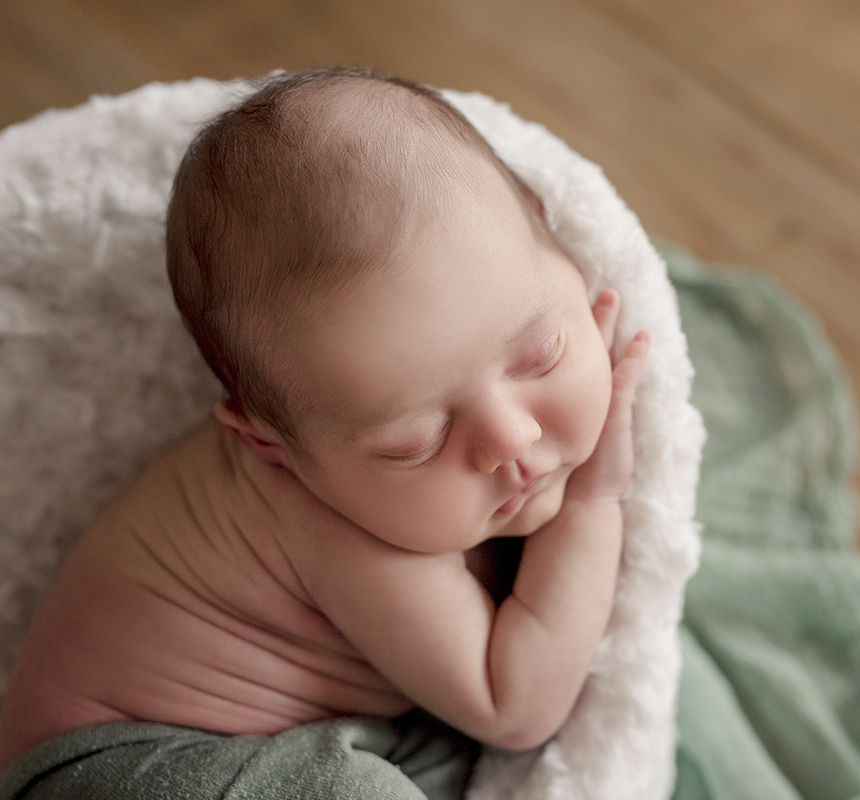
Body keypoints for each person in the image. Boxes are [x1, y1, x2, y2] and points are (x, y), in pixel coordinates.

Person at [0, 66, 649, 797]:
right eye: (416, 442)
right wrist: (596, 500)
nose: (507, 438)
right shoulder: (333, 525)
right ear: (276, 451)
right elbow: (516, 704)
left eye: (540, 354)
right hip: (128, 771)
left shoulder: (378, 470)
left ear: (552, 233)